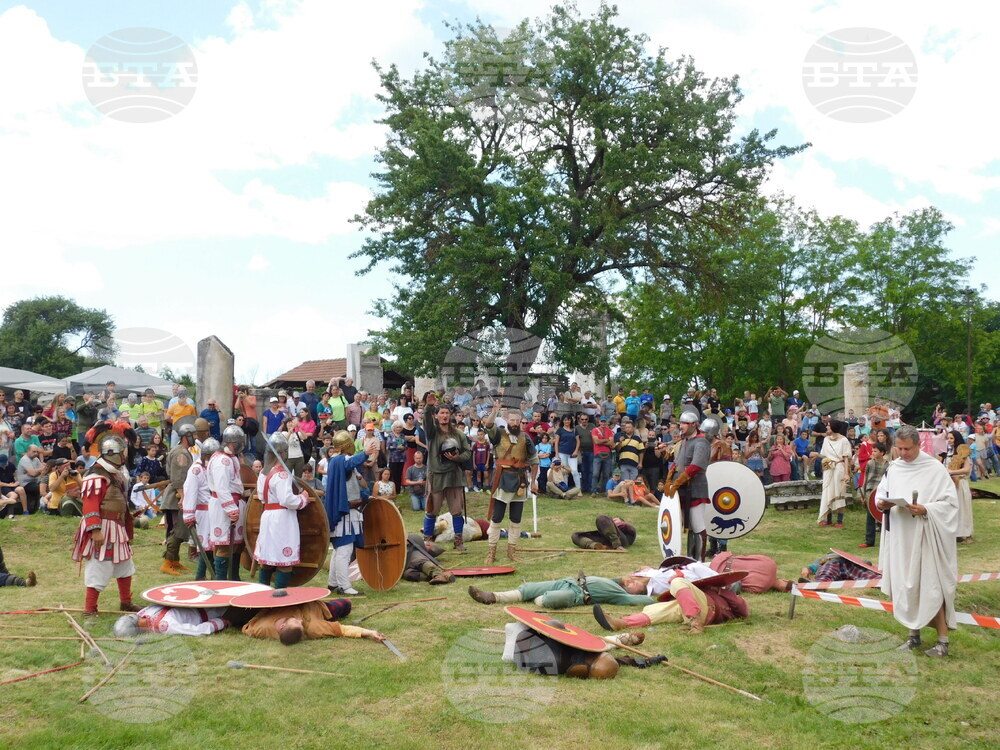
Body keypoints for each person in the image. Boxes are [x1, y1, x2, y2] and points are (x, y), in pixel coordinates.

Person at [874, 426, 959, 657]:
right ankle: (914, 636)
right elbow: (880, 496)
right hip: (902, 537)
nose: (902, 453)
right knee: (906, 585)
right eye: (899, 448)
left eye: (907, 448)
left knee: (931, 586)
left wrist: (926, 509)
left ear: (918, 445)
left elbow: (951, 505)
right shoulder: (894, 468)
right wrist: (883, 504)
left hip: (926, 536)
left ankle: (943, 641)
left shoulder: (934, 469)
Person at [70, 433, 141, 618]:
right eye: (122, 453)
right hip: (103, 527)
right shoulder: (96, 474)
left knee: (125, 565)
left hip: (116, 527)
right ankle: (89, 609)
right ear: (113, 454)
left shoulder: (112, 473)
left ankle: (126, 602)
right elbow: (90, 504)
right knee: (99, 566)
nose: (125, 456)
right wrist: (95, 530)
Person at [482, 402, 538, 563]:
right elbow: (488, 425)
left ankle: (511, 551)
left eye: (517, 420)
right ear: (506, 419)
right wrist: (494, 410)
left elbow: (534, 460)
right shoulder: (498, 434)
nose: (514, 423)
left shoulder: (525, 437)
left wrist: (533, 482)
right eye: (512, 420)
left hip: (520, 481)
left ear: (520, 421)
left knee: (516, 518)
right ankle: (491, 552)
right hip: (503, 480)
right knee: (497, 517)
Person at [325, 430, 380, 596]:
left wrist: (367, 496)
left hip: (350, 510)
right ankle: (344, 585)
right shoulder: (340, 461)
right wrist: (365, 453)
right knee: (344, 550)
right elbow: (349, 462)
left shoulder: (339, 463)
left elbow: (354, 486)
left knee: (339, 550)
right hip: (345, 513)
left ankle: (333, 582)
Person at [592, 575, 749, 633]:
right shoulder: (706, 590)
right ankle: (621, 623)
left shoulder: (726, 595)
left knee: (677, 581)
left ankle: (695, 620)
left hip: (707, 610)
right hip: (689, 609)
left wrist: (721, 591)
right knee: (653, 609)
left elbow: (744, 611)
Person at [254, 433, 312, 589]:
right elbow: (286, 499)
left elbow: (261, 495)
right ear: (281, 453)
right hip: (282, 518)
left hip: (267, 515)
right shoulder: (282, 474)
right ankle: (279, 597)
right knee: (284, 562)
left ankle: (262, 594)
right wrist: (303, 498)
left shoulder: (263, 473)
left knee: (266, 560)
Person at [422, 402, 472, 553]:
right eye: (441, 413)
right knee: (431, 510)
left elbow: (468, 453)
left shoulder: (459, 434)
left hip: (454, 476)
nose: (444, 416)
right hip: (436, 475)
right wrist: (429, 406)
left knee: (457, 511)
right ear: (436, 416)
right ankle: (427, 541)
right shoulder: (432, 432)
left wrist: (457, 457)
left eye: (446, 413)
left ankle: (458, 541)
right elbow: (426, 422)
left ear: (450, 415)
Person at [663, 412, 710, 561]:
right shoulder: (684, 442)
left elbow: (695, 466)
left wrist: (676, 483)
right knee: (688, 526)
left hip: (696, 488)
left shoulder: (701, 442)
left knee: (697, 525)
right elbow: (676, 463)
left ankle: (699, 561)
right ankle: (690, 558)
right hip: (683, 489)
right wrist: (669, 480)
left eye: (683, 423)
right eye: (680, 423)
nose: (680, 427)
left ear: (693, 425)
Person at [206, 425, 250, 581]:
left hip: (232, 502)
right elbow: (222, 487)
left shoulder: (231, 458)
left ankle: (233, 578)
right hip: (224, 505)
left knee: (236, 545)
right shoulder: (223, 460)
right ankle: (221, 581)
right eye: (239, 441)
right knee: (224, 545)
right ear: (232, 442)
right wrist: (231, 509)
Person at [468, 574, 654, 610]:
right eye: (633, 579)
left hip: (577, 596)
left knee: (550, 599)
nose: (631, 581)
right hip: (569, 582)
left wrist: (668, 599)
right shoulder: (615, 582)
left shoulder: (620, 596)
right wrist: (622, 580)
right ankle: (493, 597)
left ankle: (537, 600)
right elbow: (627, 579)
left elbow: (643, 601)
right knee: (530, 588)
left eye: (633, 585)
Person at [242, 599, 385, 645]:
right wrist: (370, 632)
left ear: (283, 626)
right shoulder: (313, 628)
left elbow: (248, 626)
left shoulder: (262, 628)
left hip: (286, 600)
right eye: (299, 623)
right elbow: (343, 630)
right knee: (346, 604)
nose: (299, 620)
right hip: (318, 609)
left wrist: (267, 608)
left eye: (296, 622)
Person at [159, 423, 197, 576]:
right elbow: (179, 478)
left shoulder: (181, 451)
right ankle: (167, 562)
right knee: (177, 530)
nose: (194, 438)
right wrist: (182, 497)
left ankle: (174, 560)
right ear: (186, 436)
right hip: (176, 498)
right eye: (193, 435)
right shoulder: (181, 453)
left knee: (180, 529)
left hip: (177, 496)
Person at [182, 438, 219, 580]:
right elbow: (190, 492)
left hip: (212, 511)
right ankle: (201, 576)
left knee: (210, 546)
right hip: (203, 513)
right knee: (206, 547)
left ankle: (204, 576)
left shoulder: (209, 468)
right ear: (207, 456)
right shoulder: (196, 469)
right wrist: (189, 515)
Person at [114, 606, 229, 638]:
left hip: (196, 601)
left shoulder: (143, 613)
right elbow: (197, 631)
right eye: (131, 620)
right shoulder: (164, 626)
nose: (132, 616)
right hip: (209, 612)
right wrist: (225, 621)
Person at [818, 420, 852, 527]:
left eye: (828, 426)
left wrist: (846, 473)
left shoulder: (844, 440)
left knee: (839, 492)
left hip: (839, 468)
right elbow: (824, 455)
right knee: (828, 491)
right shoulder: (826, 440)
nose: (827, 427)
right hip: (828, 468)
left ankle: (839, 520)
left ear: (833, 427)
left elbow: (846, 458)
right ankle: (828, 519)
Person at [944, 430, 974, 543]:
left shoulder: (963, 453)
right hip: (951, 483)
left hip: (960, 482)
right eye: (948, 438)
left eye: (951, 438)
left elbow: (967, 469)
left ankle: (967, 533)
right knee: (953, 508)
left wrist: (951, 472)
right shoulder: (949, 452)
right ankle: (957, 534)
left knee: (963, 508)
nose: (949, 440)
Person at [859, 443, 889, 548]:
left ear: (882, 453)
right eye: (872, 451)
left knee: (883, 516)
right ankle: (869, 541)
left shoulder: (888, 465)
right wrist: (863, 494)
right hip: (870, 491)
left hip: (882, 492)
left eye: (875, 451)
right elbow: (866, 478)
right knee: (870, 516)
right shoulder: (870, 463)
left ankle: (886, 540)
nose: (873, 453)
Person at [571, 515, 635, 551]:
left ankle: (617, 545)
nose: (612, 521)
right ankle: (596, 546)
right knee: (575, 535)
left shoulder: (625, 527)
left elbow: (632, 532)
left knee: (601, 518)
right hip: (605, 539)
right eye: (612, 520)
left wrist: (619, 524)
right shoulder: (607, 528)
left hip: (620, 539)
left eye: (615, 520)